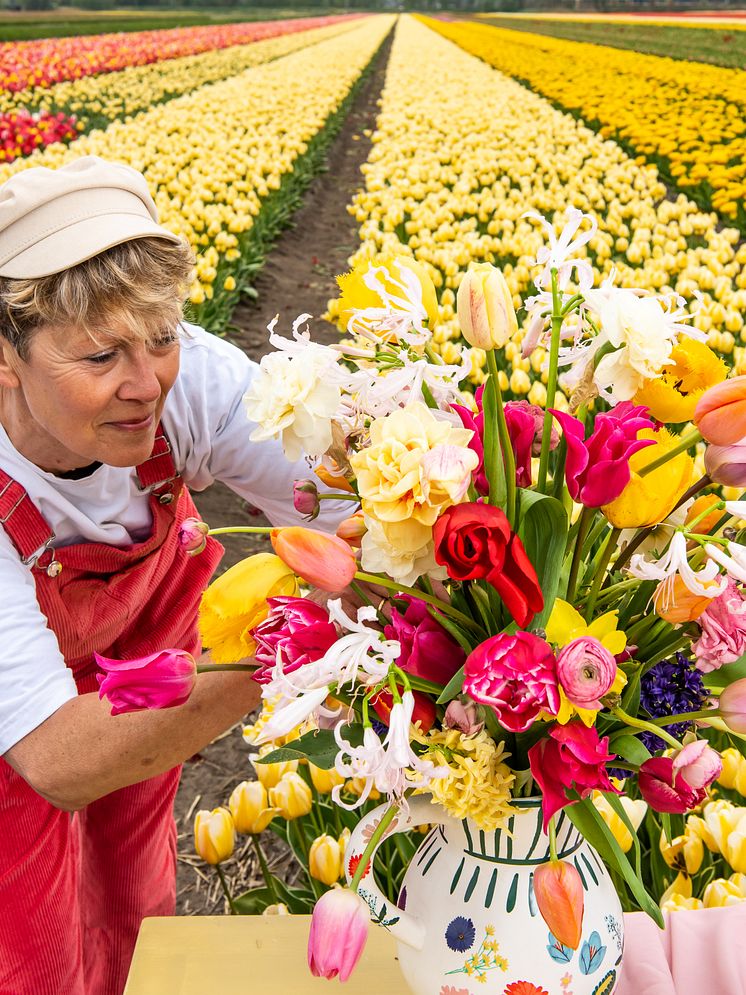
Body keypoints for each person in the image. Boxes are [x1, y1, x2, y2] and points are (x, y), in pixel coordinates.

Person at [0, 155, 344, 995]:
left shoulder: (191, 382)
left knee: (136, 893)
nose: (145, 382)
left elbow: (343, 507)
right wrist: (296, 647)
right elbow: (55, 755)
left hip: (152, 679)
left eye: (160, 337)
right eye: (101, 354)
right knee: (25, 935)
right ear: (6, 356)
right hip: (24, 734)